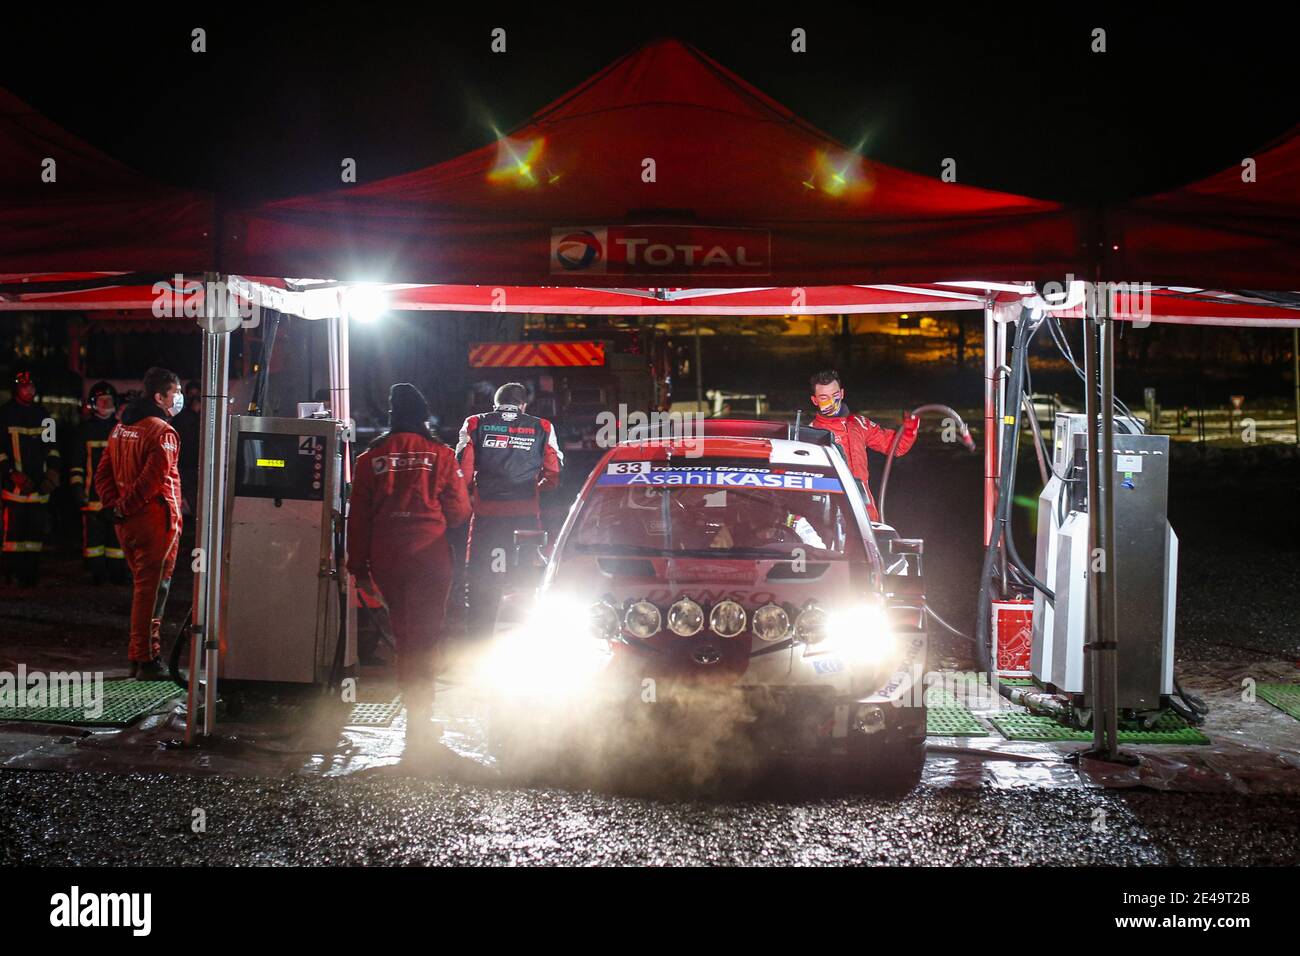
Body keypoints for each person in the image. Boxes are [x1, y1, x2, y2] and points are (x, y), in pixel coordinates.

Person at [347, 384, 471, 751]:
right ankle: (421, 715)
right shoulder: (442, 455)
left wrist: (358, 568)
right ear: (423, 414)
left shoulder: (369, 459)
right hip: (430, 558)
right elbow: (461, 512)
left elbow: (358, 520)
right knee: (425, 637)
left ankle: (414, 712)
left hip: (387, 559)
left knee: (403, 636)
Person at [93, 367, 184, 679]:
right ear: (159, 397)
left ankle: (139, 656)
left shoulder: (120, 428)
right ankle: (147, 659)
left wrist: (114, 507)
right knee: (153, 591)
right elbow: (152, 481)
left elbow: (102, 472)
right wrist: (126, 507)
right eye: (175, 393)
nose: (179, 398)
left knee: (143, 589)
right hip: (156, 522)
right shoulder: (163, 432)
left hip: (127, 524)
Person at [456, 382, 563, 641]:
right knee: (527, 582)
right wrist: (537, 487)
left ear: (495, 404)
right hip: (525, 519)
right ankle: (527, 641)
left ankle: (477, 645)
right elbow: (555, 473)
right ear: (523, 405)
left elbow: (463, 472)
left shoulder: (474, 423)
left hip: (487, 518)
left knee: (482, 581)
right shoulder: (543, 427)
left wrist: (471, 491)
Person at [808, 369, 919, 523]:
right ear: (815, 400)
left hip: (864, 507)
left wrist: (909, 430)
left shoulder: (859, 424)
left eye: (835, 396)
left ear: (842, 393)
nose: (831, 402)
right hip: (828, 510)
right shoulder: (811, 433)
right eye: (824, 398)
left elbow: (896, 447)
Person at [0, 370, 61, 586]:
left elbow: (53, 448)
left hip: (39, 488)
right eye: (24, 387)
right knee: (14, 537)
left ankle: (30, 574)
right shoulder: (5, 414)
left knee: (35, 536)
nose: (29, 390)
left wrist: (53, 473)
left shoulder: (45, 416)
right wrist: (11, 474)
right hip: (14, 488)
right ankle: (12, 573)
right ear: (16, 389)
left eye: (32, 387)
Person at [69, 381, 129, 585]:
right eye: (101, 400)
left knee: (116, 540)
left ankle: (117, 573)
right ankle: (96, 574)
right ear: (94, 404)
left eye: (109, 400)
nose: (105, 404)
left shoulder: (122, 430)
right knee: (93, 540)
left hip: (117, 498)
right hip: (92, 497)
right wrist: (77, 488)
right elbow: (76, 463)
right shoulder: (84, 431)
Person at [170, 380, 202, 517]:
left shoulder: (209, 416)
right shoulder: (181, 418)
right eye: (191, 395)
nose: (195, 398)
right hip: (187, 467)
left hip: (201, 466)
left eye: (197, 394)